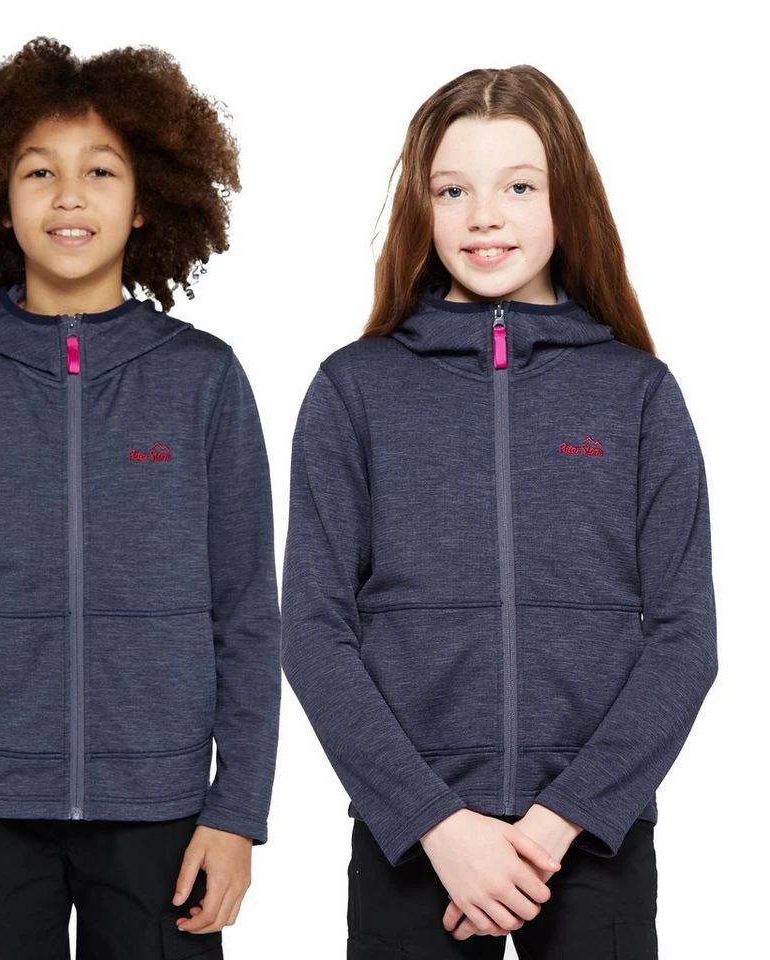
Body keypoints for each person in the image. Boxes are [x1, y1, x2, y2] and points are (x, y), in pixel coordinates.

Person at [280, 64, 717, 959]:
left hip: (593, 841)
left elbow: (686, 638)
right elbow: (313, 632)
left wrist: (557, 825)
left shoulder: (638, 395)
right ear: (423, 206)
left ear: (567, 198)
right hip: (414, 841)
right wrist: (439, 824)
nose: (484, 215)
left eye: (519, 186)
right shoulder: (353, 392)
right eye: (453, 190)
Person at [0, 36, 281, 960]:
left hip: (163, 810)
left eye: (100, 170)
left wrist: (238, 812)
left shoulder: (204, 380)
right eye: (38, 172)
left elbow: (249, 613)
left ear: (146, 201)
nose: (68, 196)